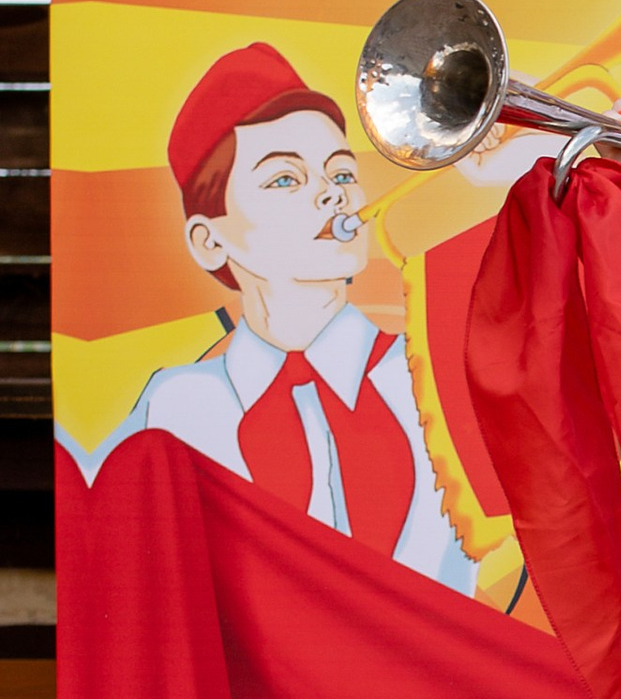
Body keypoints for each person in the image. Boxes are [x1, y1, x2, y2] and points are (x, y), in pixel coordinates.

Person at [99, 40, 474, 587]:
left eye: (342, 174)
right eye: (284, 179)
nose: (332, 196)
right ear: (209, 242)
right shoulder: (174, 408)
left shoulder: (432, 376)